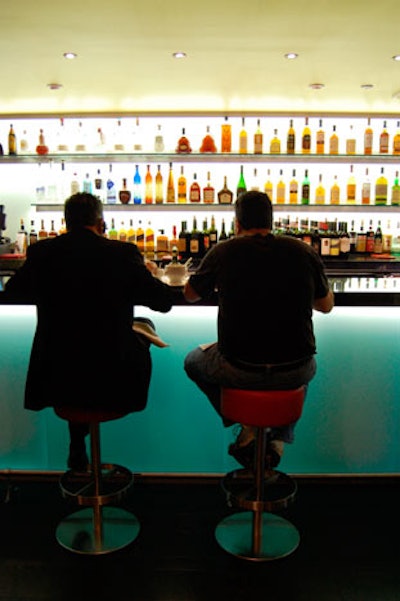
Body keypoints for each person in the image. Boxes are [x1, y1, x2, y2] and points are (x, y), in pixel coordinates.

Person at [4, 192, 174, 471]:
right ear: (101, 222)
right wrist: (141, 274)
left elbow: (12, 294)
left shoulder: (42, 252)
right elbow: (164, 302)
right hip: (113, 377)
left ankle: (78, 442)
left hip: (58, 375)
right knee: (144, 326)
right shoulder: (122, 253)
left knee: (76, 342)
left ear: (65, 222)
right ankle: (82, 443)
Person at [183, 190, 334, 469]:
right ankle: (278, 435)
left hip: (239, 368)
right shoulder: (302, 250)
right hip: (296, 369)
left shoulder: (225, 250)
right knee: (302, 362)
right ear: (272, 220)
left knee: (193, 361)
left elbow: (190, 294)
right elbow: (325, 306)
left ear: (237, 224)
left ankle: (247, 426)